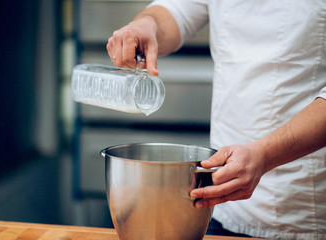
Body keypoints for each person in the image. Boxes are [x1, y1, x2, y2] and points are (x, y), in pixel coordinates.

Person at [106, 1, 326, 239]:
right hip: (221, 204)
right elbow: (177, 10)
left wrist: (266, 154)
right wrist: (146, 23)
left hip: (308, 211)